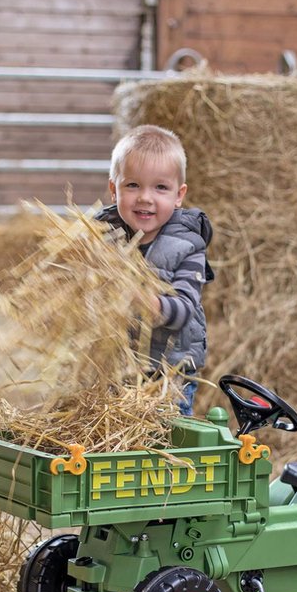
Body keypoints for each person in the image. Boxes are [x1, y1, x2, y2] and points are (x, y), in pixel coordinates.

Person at [95, 124, 213, 416]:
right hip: (116, 372)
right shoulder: (102, 237)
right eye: (133, 185)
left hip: (168, 377)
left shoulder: (187, 246)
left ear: (178, 195)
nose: (145, 198)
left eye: (160, 187)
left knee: (163, 447)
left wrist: (149, 303)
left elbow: (185, 308)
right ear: (114, 189)